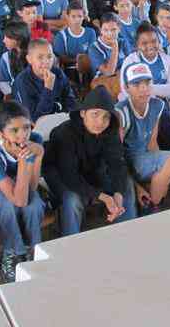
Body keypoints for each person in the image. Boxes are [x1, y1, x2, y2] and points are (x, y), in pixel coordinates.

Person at [44, 87, 136, 237]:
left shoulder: (109, 130)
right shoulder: (64, 133)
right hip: (61, 175)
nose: (100, 122)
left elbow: (117, 163)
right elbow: (70, 176)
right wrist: (103, 196)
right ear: (82, 113)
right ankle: (70, 242)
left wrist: (118, 193)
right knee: (72, 199)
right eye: (95, 114)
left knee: (126, 185)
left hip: (93, 171)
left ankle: (127, 234)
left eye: (106, 116)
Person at [116, 64, 170, 213]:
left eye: (147, 83)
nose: (143, 89)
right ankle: (152, 209)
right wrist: (136, 185)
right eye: (137, 84)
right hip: (131, 162)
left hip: (150, 159)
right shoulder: (121, 112)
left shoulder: (157, 105)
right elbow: (117, 156)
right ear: (126, 88)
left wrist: (164, 173)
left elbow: (152, 143)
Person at [0, 101, 45, 283]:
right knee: (8, 206)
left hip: (21, 187)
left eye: (26, 128)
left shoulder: (35, 140)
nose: (23, 135)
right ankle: (13, 253)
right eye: (14, 130)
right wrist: (24, 162)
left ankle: (34, 249)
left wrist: (39, 155)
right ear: (0, 134)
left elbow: (31, 188)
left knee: (35, 204)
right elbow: (18, 200)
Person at [12, 38, 76, 122]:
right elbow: (35, 119)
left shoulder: (57, 72)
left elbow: (70, 99)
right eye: (40, 57)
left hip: (61, 119)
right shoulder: (22, 81)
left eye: (49, 57)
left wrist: (66, 116)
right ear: (29, 59)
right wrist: (48, 89)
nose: (46, 62)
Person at [118, 23, 170, 102]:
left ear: (159, 41)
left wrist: (146, 88)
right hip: (137, 106)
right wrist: (161, 91)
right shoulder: (130, 61)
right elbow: (126, 89)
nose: (150, 46)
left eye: (154, 41)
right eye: (144, 43)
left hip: (164, 107)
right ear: (137, 45)